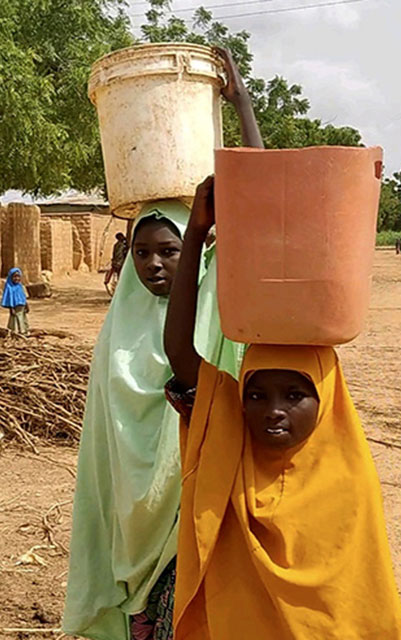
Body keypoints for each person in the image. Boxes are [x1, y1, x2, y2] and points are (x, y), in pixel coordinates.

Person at [61, 47, 257, 640]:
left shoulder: (215, 307)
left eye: (170, 251)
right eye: (141, 253)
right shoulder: (118, 330)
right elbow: (109, 456)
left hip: (196, 504)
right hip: (133, 527)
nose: (153, 264)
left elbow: (259, 205)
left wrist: (242, 105)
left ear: (193, 249)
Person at [162, 176, 401, 639]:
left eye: (295, 396)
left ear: (327, 398)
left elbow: (362, 611)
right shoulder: (230, 439)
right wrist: (194, 234)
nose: (273, 410)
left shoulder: (348, 481)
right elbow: (179, 353)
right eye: (256, 395)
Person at [3, 268, 29, 337]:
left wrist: (26, 305)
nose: (17, 278)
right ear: (10, 277)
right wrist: (11, 308)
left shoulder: (20, 286)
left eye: (18, 276)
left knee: (23, 318)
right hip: (14, 307)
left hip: (22, 306)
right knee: (14, 319)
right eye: (14, 277)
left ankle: (24, 331)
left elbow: (23, 296)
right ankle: (15, 332)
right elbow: (9, 298)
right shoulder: (9, 287)